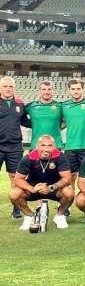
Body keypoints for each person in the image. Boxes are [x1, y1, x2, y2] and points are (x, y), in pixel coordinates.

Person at [10, 135, 73, 230]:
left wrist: (51, 188)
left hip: (54, 189)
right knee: (14, 193)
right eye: (43, 145)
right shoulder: (29, 157)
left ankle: (59, 216)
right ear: (37, 146)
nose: (46, 149)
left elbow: (67, 178)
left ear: (54, 147)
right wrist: (32, 188)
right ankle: (29, 216)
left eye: (50, 145)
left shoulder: (60, 156)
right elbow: (18, 179)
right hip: (34, 188)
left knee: (69, 192)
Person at [62, 79, 85, 209]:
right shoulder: (64, 106)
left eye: (78, 89)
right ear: (69, 90)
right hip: (70, 147)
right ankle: (67, 207)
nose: (76, 91)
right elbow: (60, 123)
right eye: (73, 89)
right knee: (69, 178)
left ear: (83, 89)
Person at [0, 76, 26, 218]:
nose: (8, 89)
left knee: (15, 178)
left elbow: (26, 122)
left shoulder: (20, 104)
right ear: (0, 88)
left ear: (14, 88)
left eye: (10, 86)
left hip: (15, 146)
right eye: (5, 86)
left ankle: (16, 208)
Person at [22, 80, 63, 149]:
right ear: (39, 91)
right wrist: (32, 124)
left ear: (53, 91)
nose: (46, 92)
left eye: (49, 89)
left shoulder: (60, 106)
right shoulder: (31, 106)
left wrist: (62, 124)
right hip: (36, 146)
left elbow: (70, 118)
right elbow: (19, 116)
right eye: (43, 89)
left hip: (55, 146)